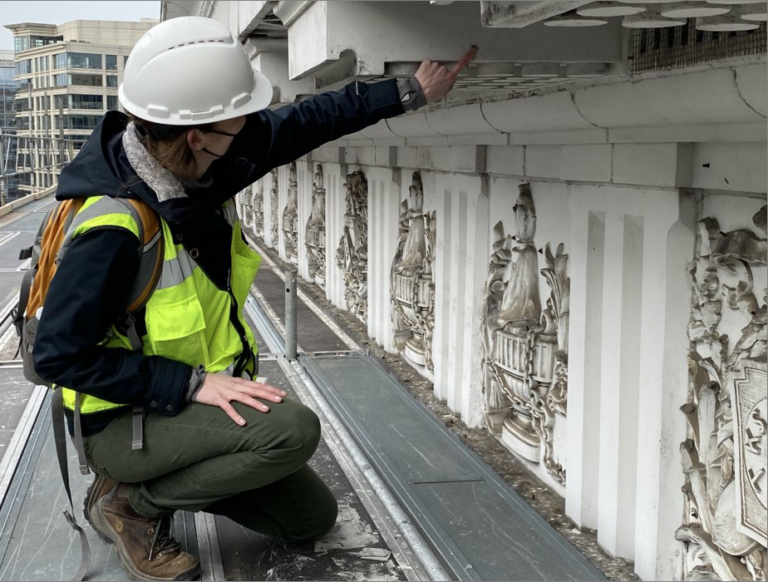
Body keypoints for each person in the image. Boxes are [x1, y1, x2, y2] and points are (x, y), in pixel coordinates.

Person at [33, 15, 476, 582]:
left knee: (309, 518)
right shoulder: (113, 229)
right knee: (293, 431)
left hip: (181, 406)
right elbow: (56, 358)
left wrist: (409, 91)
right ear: (197, 134)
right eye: (236, 123)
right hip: (121, 421)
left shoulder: (200, 164)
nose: (249, 130)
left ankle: (160, 484)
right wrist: (190, 384)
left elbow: (297, 124)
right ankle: (130, 503)